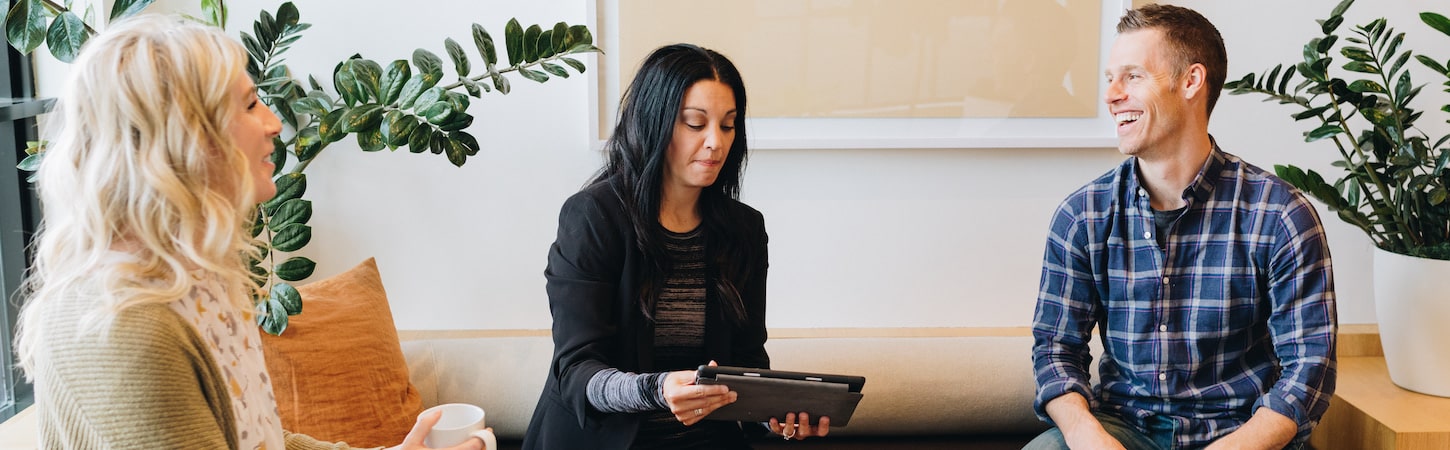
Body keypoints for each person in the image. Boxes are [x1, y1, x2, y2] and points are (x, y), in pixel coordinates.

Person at [13, 15, 484, 450]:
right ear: (183, 136)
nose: (274, 123)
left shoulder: (197, 278)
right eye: (250, 105)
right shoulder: (128, 329)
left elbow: (255, 438)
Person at [1026, 4, 1337, 450]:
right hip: (1123, 428)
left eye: (1132, 76)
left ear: (1191, 81)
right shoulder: (1082, 215)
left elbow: (1310, 369)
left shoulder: (1281, 214)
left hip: (1243, 433)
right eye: (1110, 78)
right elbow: (1055, 350)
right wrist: (1082, 431)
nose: (1111, 95)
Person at [522, 43, 829, 449]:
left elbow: (748, 363)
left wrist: (777, 421)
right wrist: (659, 389)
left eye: (728, 124)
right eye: (695, 123)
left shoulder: (744, 229)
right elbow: (578, 371)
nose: (716, 143)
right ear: (655, 121)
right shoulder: (593, 218)